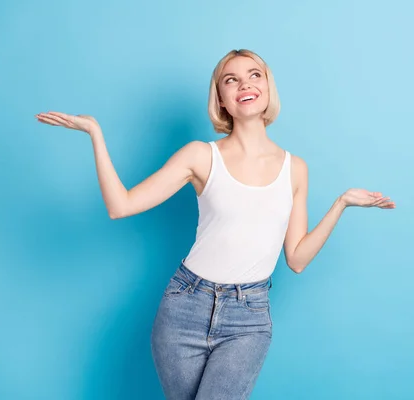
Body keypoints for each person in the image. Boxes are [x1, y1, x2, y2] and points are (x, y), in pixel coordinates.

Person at [35, 48, 395, 400]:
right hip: (184, 308)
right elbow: (121, 206)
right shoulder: (200, 156)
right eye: (231, 80)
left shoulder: (295, 169)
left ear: (267, 88)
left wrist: (341, 204)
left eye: (255, 75)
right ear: (221, 98)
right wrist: (96, 134)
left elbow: (297, 260)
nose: (244, 84)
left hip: (248, 317)